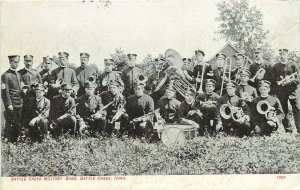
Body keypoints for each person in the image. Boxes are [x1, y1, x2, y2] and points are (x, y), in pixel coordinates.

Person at [271, 49, 300, 133]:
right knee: (284, 110)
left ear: (287, 55)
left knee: (297, 109)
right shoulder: (276, 66)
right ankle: (288, 130)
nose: (282, 56)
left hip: (293, 91)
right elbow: (273, 80)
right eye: (280, 54)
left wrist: (289, 82)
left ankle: (299, 129)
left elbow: (298, 79)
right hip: (281, 92)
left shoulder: (293, 65)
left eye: (283, 54)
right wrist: (277, 81)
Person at [1, 55, 23, 142]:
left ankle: (16, 138)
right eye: (15, 62)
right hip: (12, 103)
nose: (17, 64)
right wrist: (9, 104)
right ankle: (10, 140)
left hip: (19, 102)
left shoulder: (18, 74)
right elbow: (5, 92)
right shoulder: (5, 75)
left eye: (18, 62)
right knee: (12, 122)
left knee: (18, 121)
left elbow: (20, 88)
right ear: (10, 62)